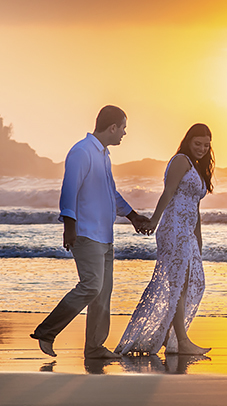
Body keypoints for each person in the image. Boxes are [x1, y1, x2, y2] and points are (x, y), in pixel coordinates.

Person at [31, 105, 148, 359]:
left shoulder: (104, 155)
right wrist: (69, 226)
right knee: (91, 286)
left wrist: (132, 216)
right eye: (124, 128)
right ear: (113, 127)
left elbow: (110, 193)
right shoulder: (82, 152)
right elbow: (69, 190)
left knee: (103, 293)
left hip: (104, 235)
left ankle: (94, 347)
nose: (125, 134)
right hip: (85, 233)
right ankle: (47, 331)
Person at [116, 123, 214, 356]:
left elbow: (195, 207)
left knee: (192, 283)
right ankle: (181, 341)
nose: (201, 148)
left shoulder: (198, 168)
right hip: (173, 229)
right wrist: (154, 221)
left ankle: (170, 337)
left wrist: (197, 238)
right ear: (188, 141)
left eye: (206, 145)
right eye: (197, 143)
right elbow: (168, 193)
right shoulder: (181, 160)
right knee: (178, 285)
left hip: (187, 233)